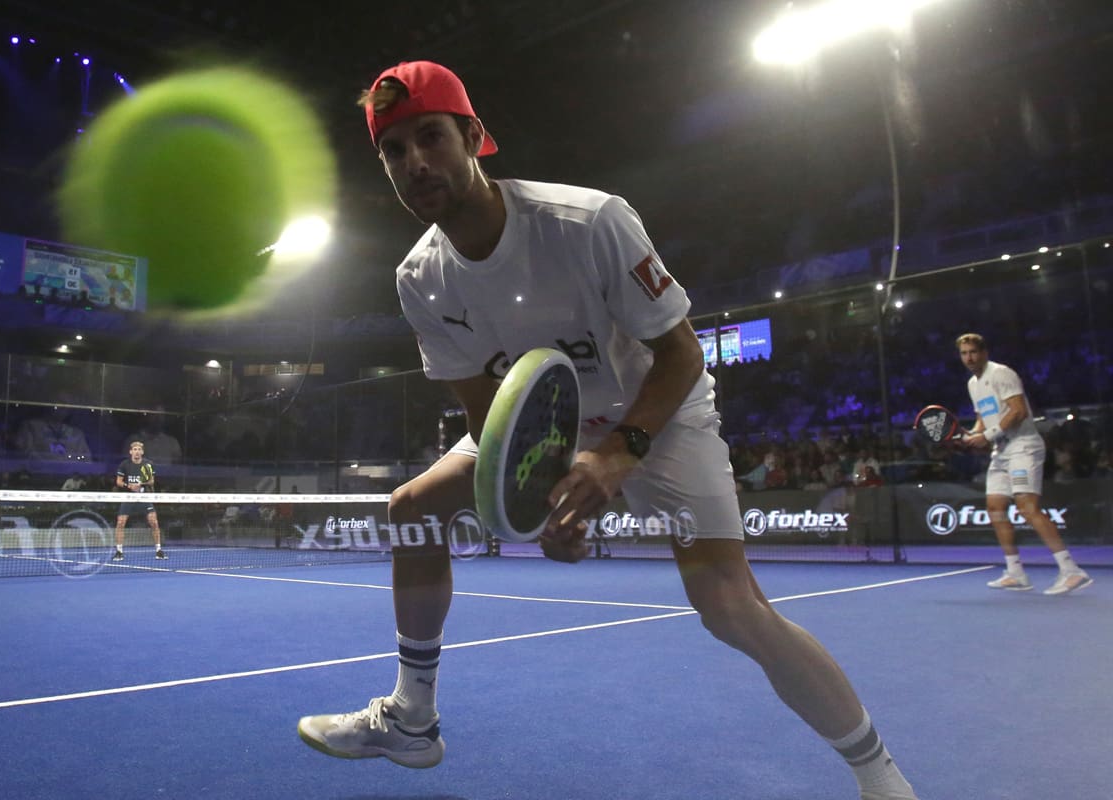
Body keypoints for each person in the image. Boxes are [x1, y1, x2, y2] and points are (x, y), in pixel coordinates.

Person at [296, 61, 918, 800]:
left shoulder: (588, 222)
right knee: (411, 507)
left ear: (472, 136)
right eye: (394, 151)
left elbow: (682, 353)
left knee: (728, 605)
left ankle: (879, 775)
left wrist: (619, 454)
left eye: (430, 137)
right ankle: (412, 720)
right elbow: (485, 412)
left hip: (658, 413)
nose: (414, 162)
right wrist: (537, 501)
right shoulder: (418, 278)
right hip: (543, 424)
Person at [955, 333, 1092, 595]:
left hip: (1023, 447)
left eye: (973, 352)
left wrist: (988, 435)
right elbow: (983, 418)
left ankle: (1071, 571)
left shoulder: (1001, 373)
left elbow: (1018, 411)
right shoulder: (973, 384)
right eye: (964, 353)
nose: (969, 358)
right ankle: (1016, 573)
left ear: (984, 352)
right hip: (1001, 451)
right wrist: (973, 434)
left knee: (1027, 508)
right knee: (995, 509)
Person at [112, 441, 166, 561]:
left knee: (154, 522)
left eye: (139, 449)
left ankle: (159, 550)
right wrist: (129, 486)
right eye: (135, 449)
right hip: (128, 497)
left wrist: (141, 484)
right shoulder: (124, 464)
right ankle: (119, 551)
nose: (137, 451)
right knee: (120, 523)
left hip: (144, 497)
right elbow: (119, 482)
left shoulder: (148, 464)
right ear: (131, 452)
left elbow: (151, 481)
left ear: (142, 452)